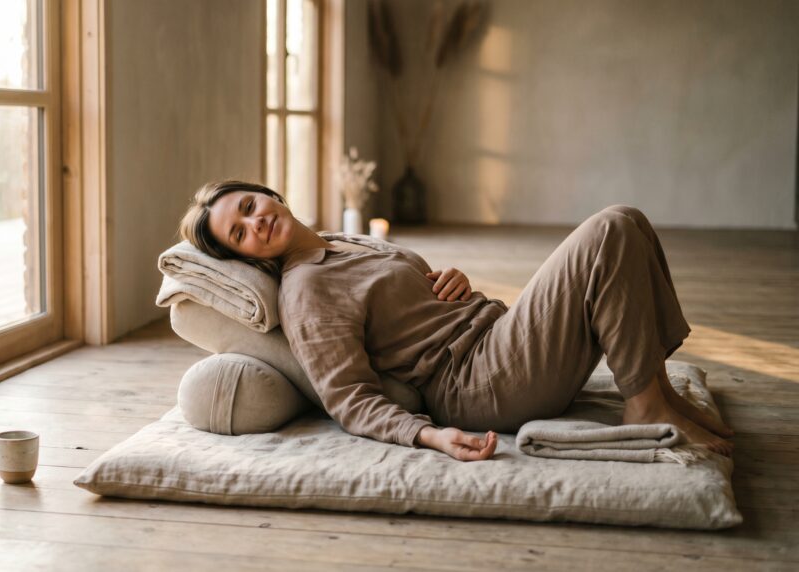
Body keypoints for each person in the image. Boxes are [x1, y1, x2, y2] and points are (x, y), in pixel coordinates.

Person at [178, 180, 734, 462]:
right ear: (249, 257)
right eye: (240, 234)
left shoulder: (340, 244)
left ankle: (654, 383)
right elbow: (346, 397)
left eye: (249, 206)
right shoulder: (306, 290)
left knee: (627, 222)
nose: (256, 224)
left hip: (496, 337)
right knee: (609, 229)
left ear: (267, 192)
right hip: (481, 383)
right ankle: (643, 403)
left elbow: (409, 307)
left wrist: (455, 284)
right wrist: (428, 435)